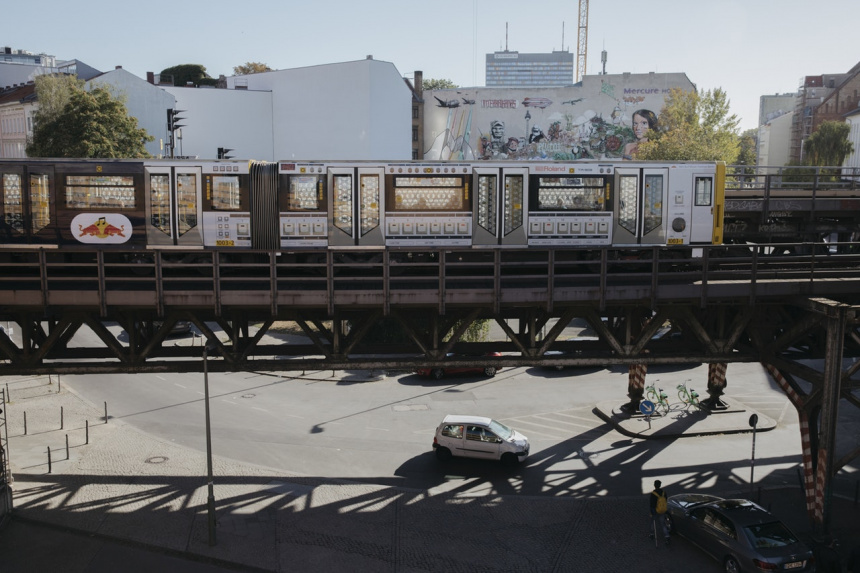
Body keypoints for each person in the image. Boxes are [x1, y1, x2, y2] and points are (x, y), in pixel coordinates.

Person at [649, 479, 670, 545]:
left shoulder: (653, 493)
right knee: (663, 523)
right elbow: (666, 500)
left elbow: (652, 504)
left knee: (653, 522)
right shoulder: (664, 492)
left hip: (655, 510)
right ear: (660, 485)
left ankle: (652, 534)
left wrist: (652, 511)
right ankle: (667, 536)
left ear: (654, 485)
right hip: (662, 510)